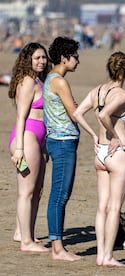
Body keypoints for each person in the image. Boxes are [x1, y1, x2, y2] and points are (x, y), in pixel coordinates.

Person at [74, 51, 125, 267]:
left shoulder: (97, 90)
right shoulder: (121, 94)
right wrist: (115, 136)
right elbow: (103, 115)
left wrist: (92, 135)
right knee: (115, 207)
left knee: (102, 207)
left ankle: (101, 254)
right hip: (117, 153)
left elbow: (78, 113)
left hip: (100, 153)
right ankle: (107, 256)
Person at [8, 42, 50, 252]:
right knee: (26, 191)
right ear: (28, 60)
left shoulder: (38, 81)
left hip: (39, 140)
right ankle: (27, 242)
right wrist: (20, 149)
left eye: (44, 57)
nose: (42, 61)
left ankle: (23, 233)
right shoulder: (26, 82)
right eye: (37, 58)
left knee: (37, 190)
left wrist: (45, 148)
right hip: (27, 137)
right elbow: (20, 116)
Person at [43, 36, 81, 261]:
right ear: (63, 58)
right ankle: (57, 248)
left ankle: (58, 244)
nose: (78, 61)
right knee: (59, 195)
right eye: (75, 56)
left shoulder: (52, 78)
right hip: (62, 142)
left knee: (60, 194)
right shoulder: (58, 80)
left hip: (59, 141)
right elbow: (73, 111)